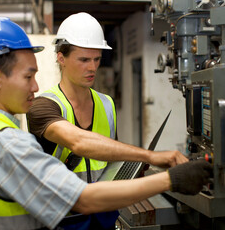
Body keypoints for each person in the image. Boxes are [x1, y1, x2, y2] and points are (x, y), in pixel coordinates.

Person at [0, 16, 213, 230]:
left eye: (97, 59)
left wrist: (136, 167)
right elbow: (79, 157)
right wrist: (170, 177)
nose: (35, 86)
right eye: (28, 76)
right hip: (67, 218)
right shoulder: (9, 140)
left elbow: (108, 154)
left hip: (103, 213)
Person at [27, 12, 188, 184]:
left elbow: (110, 159)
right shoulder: (42, 107)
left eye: (97, 59)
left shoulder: (106, 103)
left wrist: (133, 167)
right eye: (84, 60)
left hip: (103, 205)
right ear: (61, 58)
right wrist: (150, 156)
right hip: (62, 208)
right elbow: (79, 142)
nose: (92, 67)